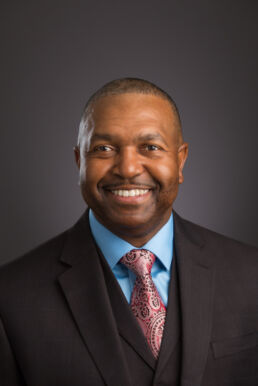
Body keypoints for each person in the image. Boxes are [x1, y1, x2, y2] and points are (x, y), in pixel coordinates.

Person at [0, 78, 257, 386]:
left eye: (150, 146)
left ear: (180, 160)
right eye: (104, 148)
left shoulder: (251, 275)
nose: (128, 168)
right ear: (79, 161)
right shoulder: (10, 297)